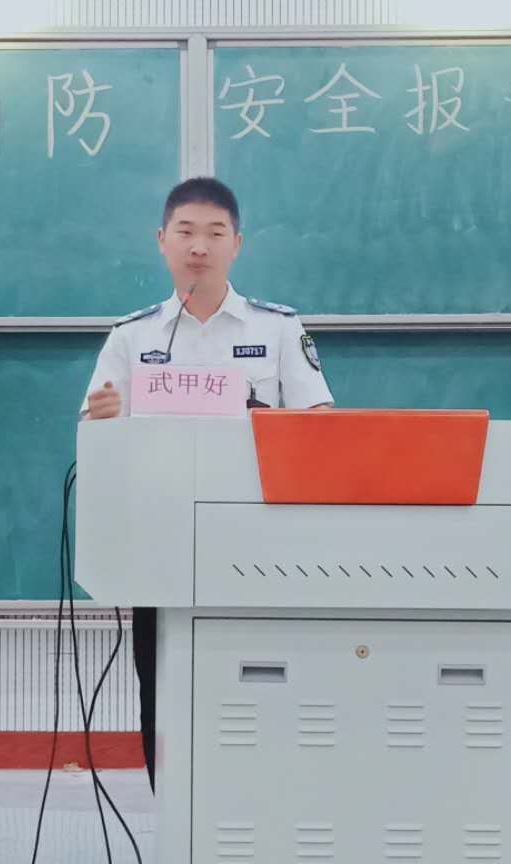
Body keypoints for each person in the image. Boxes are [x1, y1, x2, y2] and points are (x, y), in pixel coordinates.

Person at [79, 176, 334, 791]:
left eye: (215, 233)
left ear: (236, 244)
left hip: (262, 550)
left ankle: (267, 807)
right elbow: (94, 438)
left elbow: (321, 426)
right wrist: (103, 422)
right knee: (162, 687)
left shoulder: (277, 329)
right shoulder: (132, 337)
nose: (199, 246)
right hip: (159, 547)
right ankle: (173, 816)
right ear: (162, 241)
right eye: (186, 232)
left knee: (263, 685)